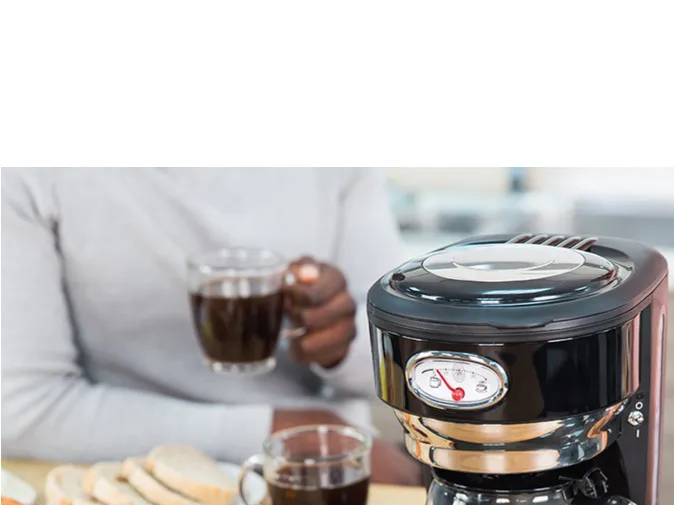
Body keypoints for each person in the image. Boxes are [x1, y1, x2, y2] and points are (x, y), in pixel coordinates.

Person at [1, 168, 421, 484]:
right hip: (117, 481)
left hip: (330, 465)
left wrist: (339, 345)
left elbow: (398, 367)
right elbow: (21, 412)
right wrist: (284, 433)